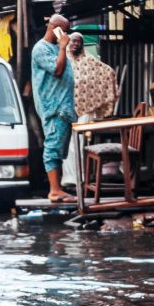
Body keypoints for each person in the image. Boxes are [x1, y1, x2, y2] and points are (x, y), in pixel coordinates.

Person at [62, 31, 118, 189]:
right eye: (72, 41)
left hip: (86, 108)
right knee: (67, 143)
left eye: (78, 42)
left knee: (79, 142)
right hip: (67, 108)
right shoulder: (63, 60)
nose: (75, 44)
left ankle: (80, 177)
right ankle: (69, 178)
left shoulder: (89, 61)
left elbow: (108, 72)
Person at [31, 14, 75, 203]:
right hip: (53, 106)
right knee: (53, 146)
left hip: (63, 106)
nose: (66, 35)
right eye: (64, 31)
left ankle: (58, 188)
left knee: (59, 147)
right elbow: (57, 70)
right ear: (55, 29)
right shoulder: (41, 49)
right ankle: (54, 190)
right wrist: (63, 46)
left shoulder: (56, 48)